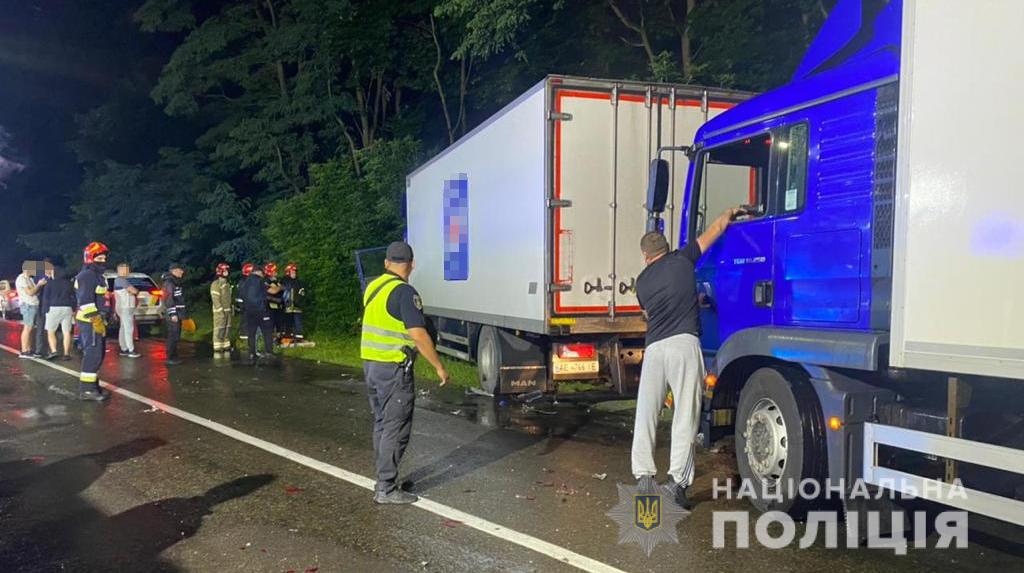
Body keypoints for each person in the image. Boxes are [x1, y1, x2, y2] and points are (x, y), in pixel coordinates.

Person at [631, 207, 742, 509]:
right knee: (685, 416)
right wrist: (730, 213)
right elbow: (716, 229)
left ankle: (643, 477)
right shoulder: (683, 259)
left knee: (646, 413)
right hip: (684, 345)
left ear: (646, 256)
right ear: (667, 248)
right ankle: (677, 484)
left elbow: (650, 314)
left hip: (655, 349)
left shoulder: (642, 282)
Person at [361, 241, 449, 505]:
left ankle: (383, 479)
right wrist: (438, 366)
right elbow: (418, 335)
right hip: (393, 368)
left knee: (382, 423)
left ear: (386, 262)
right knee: (396, 428)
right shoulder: (404, 292)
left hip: (371, 365)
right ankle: (386, 488)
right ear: (411, 265)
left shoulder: (372, 287)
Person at [74, 242, 111, 401]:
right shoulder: (87, 275)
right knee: (93, 354)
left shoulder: (97, 275)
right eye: (99, 258)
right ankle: (87, 390)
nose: (103, 261)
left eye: (104, 258)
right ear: (90, 258)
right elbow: (85, 301)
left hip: (97, 320)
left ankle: (93, 385)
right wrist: (96, 320)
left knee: (98, 354)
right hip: (90, 321)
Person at [238, 265, 274, 365]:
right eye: (263, 273)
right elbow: (272, 291)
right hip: (261, 310)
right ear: (259, 272)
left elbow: (242, 296)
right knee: (267, 331)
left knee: (251, 333)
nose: (263, 275)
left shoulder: (245, 282)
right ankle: (269, 352)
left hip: (249, 311)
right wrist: (280, 287)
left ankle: (252, 353)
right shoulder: (260, 280)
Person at [161, 263, 194, 365]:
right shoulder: (169, 283)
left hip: (178, 313)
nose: (182, 272)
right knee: (173, 335)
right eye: (180, 270)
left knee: (176, 335)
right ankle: (171, 357)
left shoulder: (175, 282)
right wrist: (173, 314)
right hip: (174, 315)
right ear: (174, 271)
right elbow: (169, 299)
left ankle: (174, 356)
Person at [41, 266, 76, 360]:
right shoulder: (69, 283)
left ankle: (54, 351)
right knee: (66, 332)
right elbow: (73, 297)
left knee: (51, 331)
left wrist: (45, 310)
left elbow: (46, 298)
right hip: (67, 308)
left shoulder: (50, 283)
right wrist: (73, 309)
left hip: (53, 308)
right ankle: (66, 353)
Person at [15, 261, 47, 358]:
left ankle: (28, 349)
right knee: (27, 328)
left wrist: (39, 285)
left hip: (33, 305)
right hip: (28, 306)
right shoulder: (21, 279)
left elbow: (35, 292)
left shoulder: (29, 279)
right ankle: (24, 351)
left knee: (30, 328)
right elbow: (30, 292)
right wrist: (39, 284)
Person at [113, 263, 141, 358]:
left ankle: (124, 348)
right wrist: (135, 291)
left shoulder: (120, 280)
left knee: (123, 328)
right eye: (124, 269)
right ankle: (131, 350)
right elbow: (134, 291)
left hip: (123, 307)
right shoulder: (121, 280)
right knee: (129, 329)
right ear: (119, 270)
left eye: (127, 269)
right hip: (125, 307)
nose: (126, 271)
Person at [210, 262, 233, 354]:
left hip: (227, 310)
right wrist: (220, 311)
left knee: (227, 328)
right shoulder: (216, 284)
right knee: (219, 329)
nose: (227, 272)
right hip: (219, 312)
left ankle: (226, 346)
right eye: (225, 271)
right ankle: (217, 347)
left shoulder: (227, 284)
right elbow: (215, 299)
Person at [281, 262, 305, 341]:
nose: (294, 274)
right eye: (292, 272)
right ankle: (288, 336)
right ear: (288, 273)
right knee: (287, 321)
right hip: (287, 306)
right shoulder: (284, 281)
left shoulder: (299, 282)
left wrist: (299, 301)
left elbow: (302, 294)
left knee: (298, 322)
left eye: (295, 272)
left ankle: (299, 337)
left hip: (297, 306)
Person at [263, 262, 285, 341]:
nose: (276, 272)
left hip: (279, 305)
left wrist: (279, 287)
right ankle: (271, 340)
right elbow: (272, 291)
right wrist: (280, 288)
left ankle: (279, 339)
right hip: (270, 306)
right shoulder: (266, 281)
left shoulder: (278, 281)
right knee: (271, 324)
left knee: (280, 323)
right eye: (274, 270)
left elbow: (284, 288)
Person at [236, 262, 254, 341]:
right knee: (246, 319)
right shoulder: (245, 282)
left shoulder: (244, 281)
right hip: (245, 304)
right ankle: (245, 335)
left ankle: (246, 334)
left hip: (244, 303)